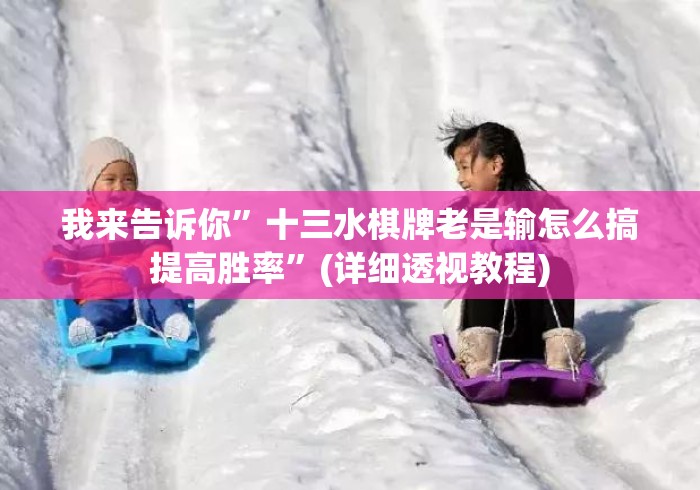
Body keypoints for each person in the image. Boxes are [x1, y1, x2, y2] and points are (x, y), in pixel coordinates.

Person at [439, 118, 585, 377]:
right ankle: (478, 362)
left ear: (495, 165)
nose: (460, 179)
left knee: (556, 267)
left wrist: (543, 255)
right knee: (490, 268)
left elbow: (569, 276)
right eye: (459, 170)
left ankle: (560, 356)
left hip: (533, 333)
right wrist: (490, 247)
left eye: (465, 168)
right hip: (475, 328)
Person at [43, 137, 191, 345]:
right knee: (96, 312)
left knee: (162, 299)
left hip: (142, 290)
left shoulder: (144, 213)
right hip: (99, 297)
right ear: (92, 184)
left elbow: (159, 250)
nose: (120, 187)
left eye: (128, 180)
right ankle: (88, 331)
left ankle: (173, 323)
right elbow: (63, 255)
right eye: (110, 180)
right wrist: (56, 267)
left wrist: (142, 269)